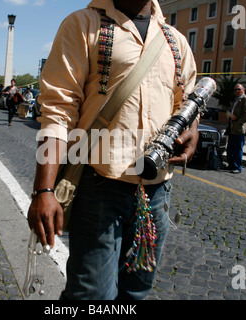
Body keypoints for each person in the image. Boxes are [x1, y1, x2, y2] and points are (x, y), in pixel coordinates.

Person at [27, 0, 197, 300]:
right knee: (92, 295)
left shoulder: (175, 40)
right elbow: (57, 112)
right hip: (98, 185)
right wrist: (44, 190)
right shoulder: (82, 24)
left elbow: (184, 104)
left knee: (136, 292)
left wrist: (190, 131)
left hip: (156, 193)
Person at [226, 84, 246, 174]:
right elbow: (230, 111)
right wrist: (230, 116)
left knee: (238, 149)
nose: (237, 91)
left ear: (243, 90)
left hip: (239, 129)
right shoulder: (235, 100)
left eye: (238, 89)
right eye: (235, 90)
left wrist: (238, 121)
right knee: (230, 148)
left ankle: (237, 167)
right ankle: (230, 164)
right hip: (232, 128)